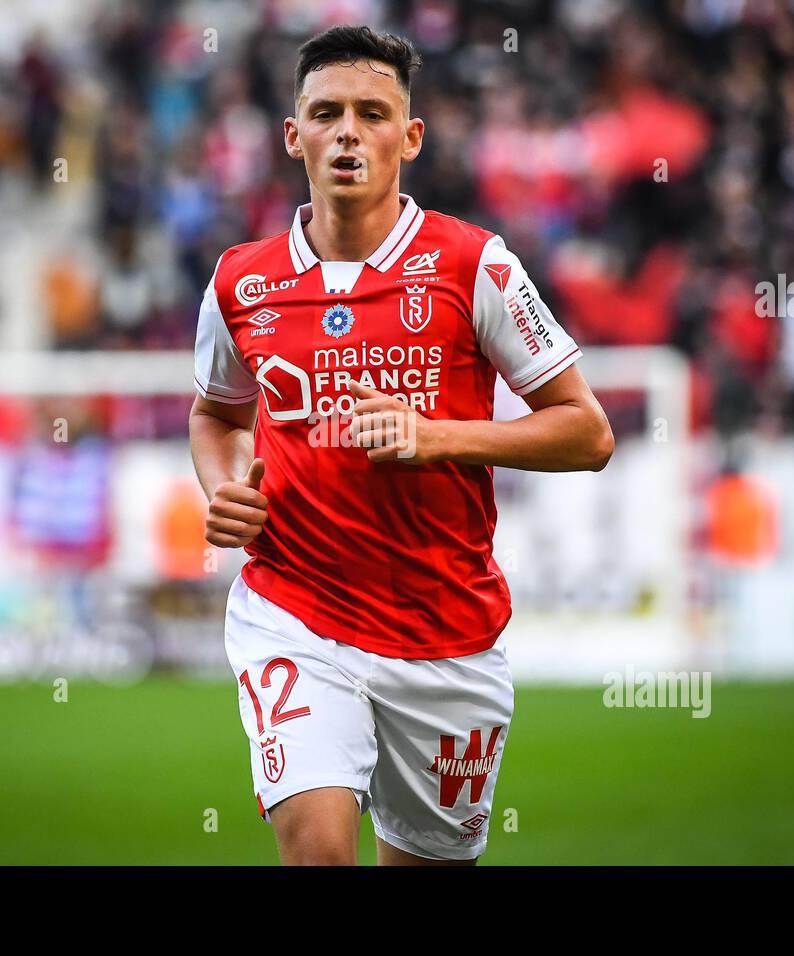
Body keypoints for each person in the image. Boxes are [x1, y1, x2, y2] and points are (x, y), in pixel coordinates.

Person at [188, 25, 614, 865]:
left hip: (446, 631)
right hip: (294, 611)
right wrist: (223, 488)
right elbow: (216, 414)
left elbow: (588, 432)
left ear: (409, 136)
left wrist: (436, 438)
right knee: (319, 852)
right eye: (327, 112)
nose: (349, 130)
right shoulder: (241, 281)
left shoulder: (475, 266)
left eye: (373, 113)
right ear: (293, 134)